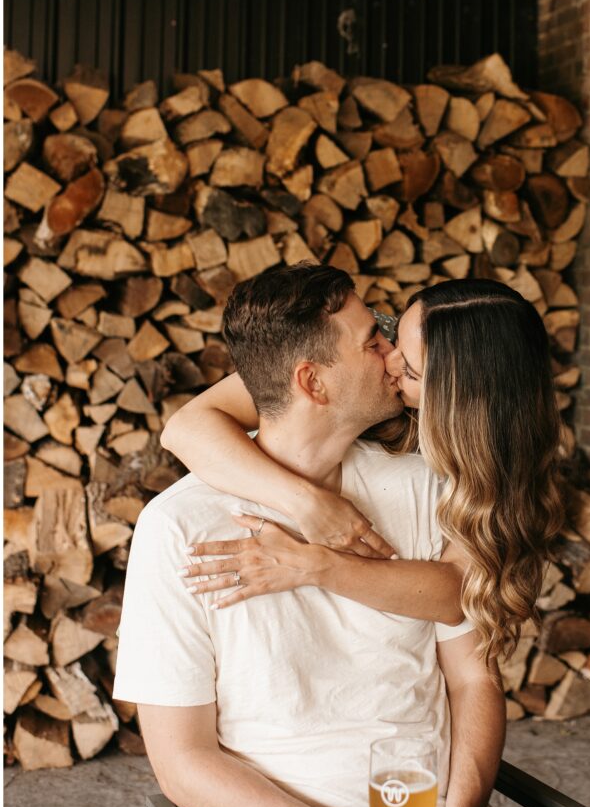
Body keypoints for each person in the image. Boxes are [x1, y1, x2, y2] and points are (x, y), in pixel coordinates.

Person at [113, 263, 505, 807]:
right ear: (313, 383)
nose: (392, 352)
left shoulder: (426, 487)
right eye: (371, 339)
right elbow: (184, 764)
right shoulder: (179, 527)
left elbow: (473, 676)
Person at [162, 274, 563, 665]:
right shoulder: (354, 368)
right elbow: (186, 427)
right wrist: (307, 504)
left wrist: (317, 565)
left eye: (409, 370)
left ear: (456, 404)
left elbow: (459, 593)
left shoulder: (493, 466)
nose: (388, 359)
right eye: (391, 336)